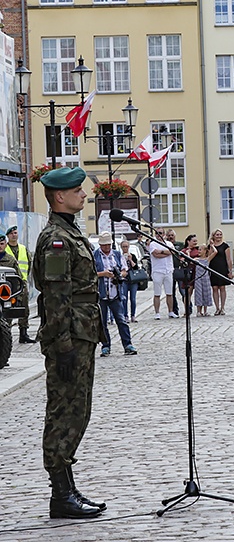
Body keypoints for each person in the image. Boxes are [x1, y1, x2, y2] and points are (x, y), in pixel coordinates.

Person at [32, 167, 106, 518]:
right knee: (64, 414)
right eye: (78, 191)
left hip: (81, 334)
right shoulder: (57, 239)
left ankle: (68, 488)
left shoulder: (69, 232)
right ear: (60, 196)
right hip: (70, 339)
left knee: (78, 411)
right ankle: (61, 496)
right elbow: (56, 296)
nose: (84, 195)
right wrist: (60, 345)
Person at [93, 231, 137, 357]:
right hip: (101, 293)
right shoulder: (95, 256)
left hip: (116, 293)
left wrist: (119, 275)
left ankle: (127, 344)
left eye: (108, 244)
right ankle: (105, 346)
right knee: (102, 322)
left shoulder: (117, 255)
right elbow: (90, 274)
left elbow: (125, 271)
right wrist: (103, 274)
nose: (106, 247)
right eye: (104, 245)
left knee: (121, 320)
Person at [6, 225, 33, 343]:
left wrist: (24, 279)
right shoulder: (3, 248)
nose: (14, 235)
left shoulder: (23, 248)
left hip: (22, 283)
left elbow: (29, 264)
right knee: (8, 308)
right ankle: (6, 333)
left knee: (24, 308)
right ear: (7, 236)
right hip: (8, 284)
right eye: (11, 233)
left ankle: (23, 333)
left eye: (15, 233)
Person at [148, 229, 176, 320]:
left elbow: (172, 252)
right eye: (157, 233)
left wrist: (161, 251)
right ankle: (157, 312)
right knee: (157, 293)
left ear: (164, 234)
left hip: (168, 270)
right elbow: (156, 254)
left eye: (160, 233)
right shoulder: (153, 244)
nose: (158, 235)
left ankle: (171, 311)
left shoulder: (169, 244)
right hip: (157, 270)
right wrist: (166, 252)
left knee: (169, 293)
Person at [208, 229, 233, 315]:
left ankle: (222, 307)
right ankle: (217, 308)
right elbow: (209, 256)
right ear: (213, 236)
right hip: (213, 268)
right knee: (214, 288)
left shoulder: (225, 246)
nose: (219, 236)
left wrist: (230, 270)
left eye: (220, 234)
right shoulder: (210, 246)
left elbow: (228, 259)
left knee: (222, 287)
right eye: (217, 234)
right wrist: (211, 246)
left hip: (222, 268)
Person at [192, 240, 216, 317]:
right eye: (198, 249)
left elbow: (215, 252)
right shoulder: (196, 259)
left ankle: (205, 311)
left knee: (205, 293)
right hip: (198, 279)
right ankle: (199, 311)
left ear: (205, 251)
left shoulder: (207, 259)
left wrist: (212, 246)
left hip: (206, 279)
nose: (199, 251)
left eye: (200, 249)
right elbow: (190, 261)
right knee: (199, 293)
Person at [119, 239, 140, 323]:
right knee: (124, 298)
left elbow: (136, 268)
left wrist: (130, 260)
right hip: (124, 280)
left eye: (126, 246)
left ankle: (133, 315)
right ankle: (125, 315)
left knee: (133, 298)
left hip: (133, 280)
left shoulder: (133, 255)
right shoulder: (119, 256)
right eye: (123, 247)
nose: (125, 248)